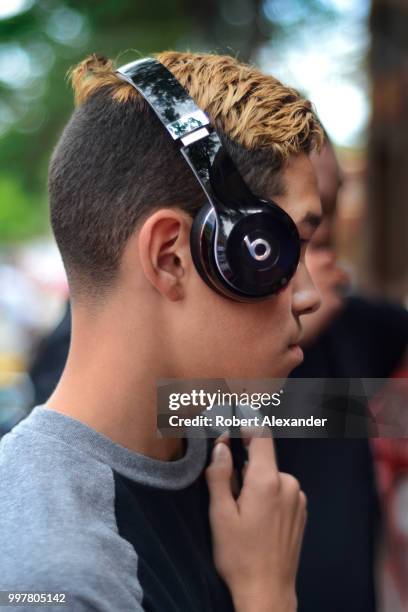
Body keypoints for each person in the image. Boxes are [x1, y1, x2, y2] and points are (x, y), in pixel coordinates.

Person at [0, 51, 323, 611]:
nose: (310, 294)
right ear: (172, 257)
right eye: (283, 249)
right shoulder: (57, 579)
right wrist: (266, 597)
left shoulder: (229, 455)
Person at [275, 139, 408, 612]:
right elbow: (181, 409)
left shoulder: (358, 321)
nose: (326, 229)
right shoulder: (221, 327)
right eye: (307, 214)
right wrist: (289, 330)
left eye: (331, 205)